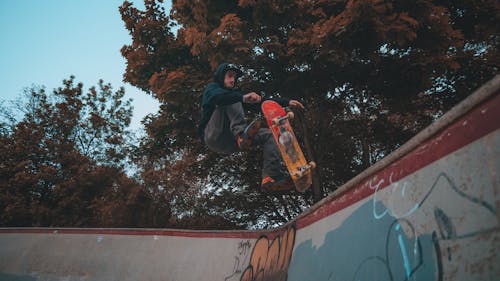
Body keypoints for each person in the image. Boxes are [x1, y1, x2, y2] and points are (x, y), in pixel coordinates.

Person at [199, 62, 305, 192]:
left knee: (271, 135)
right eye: (230, 76)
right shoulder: (212, 89)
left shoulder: (236, 97)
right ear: (221, 76)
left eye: (235, 78)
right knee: (232, 97)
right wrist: (242, 97)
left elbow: (261, 103)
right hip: (213, 134)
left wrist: (285, 102)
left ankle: (271, 177)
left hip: (230, 144)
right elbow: (218, 98)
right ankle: (240, 134)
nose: (233, 80)